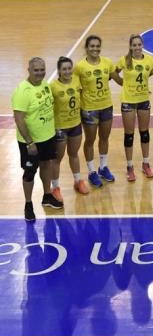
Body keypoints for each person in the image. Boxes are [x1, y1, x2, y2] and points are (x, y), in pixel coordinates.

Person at [12, 57, 63, 222]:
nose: (40, 73)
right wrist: (29, 142)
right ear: (29, 70)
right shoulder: (22, 91)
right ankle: (28, 204)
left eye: (42, 70)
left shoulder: (45, 85)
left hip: (47, 137)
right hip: (31, 142)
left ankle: (47, 196)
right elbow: (19, 119)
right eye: (36, 70)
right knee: (29, 173)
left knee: (46, 165)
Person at [74, 35, 118, 187]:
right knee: (90, 141)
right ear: (86, 48)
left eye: (97, 46)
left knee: (104, 138)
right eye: (92, 46)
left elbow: (118, 79)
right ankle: (92, 171)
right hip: (89, 109)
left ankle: (103, 167)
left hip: (106, 106)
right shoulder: (80, 67)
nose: (95, 49)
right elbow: (75, 89)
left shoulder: (107, 63)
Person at [114, 34, 153, 182]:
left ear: (142, 45)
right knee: (129, 135)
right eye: (134, 45)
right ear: (130, 46)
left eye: (139, 45)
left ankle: (145, 164)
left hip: (143, 100)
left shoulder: (149, 61)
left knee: (144, 133)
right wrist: (122, 83)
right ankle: (130, 166)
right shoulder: (124, 60)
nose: (137, 47)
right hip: (128, 101)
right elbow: (113, 72)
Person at [50, 56, 89, 199]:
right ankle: (55, 187)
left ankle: (78, 181)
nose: (67, 71)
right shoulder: (53, 87)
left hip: (75, 125)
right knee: (57, 159)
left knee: (74, 154)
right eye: (64, 69)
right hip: (60, 127)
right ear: (59, 71)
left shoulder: (77, 81)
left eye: (69, 68)